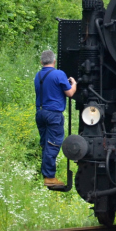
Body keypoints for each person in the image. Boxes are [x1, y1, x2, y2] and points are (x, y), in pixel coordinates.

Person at [34, 50, 77, 187]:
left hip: (40, 113)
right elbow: (70, 93)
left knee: (45, 144)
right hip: (53, 114)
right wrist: (74, 84)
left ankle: (46, 174)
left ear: (41, 62)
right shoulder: (59, 74)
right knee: (53, 144)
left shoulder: (38, 75)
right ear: (54, 61)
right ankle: (49, 178)